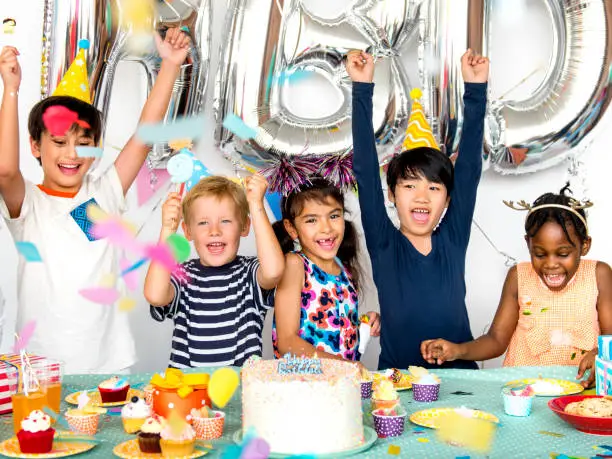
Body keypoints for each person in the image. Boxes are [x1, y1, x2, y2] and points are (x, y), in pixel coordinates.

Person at [0, 28, 191, 373]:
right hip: (41, 370)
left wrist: (171, 66)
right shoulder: (29, 205)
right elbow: (4, 171)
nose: (72, 154)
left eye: (83, 142)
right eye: (58, 142)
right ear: (35, 147)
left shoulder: (103, 192)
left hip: (109, 367)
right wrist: (11, 90)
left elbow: (145, 136)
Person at [346, 49, 489, 369]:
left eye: (434, 188)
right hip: (397, 382)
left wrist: (476, 91)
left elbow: (467, 170)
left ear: (449, 199)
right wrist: (361, 88)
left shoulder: (452, 238)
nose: (422, 196)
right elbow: (366, 172)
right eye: (410, 186)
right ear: (393, 195)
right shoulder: (385, 243)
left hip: (460, 380)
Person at [421, 186, 612, 387]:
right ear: (528, 243)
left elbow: (610, 337)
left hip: (578, 390)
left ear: (584, 245)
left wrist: (599, 355)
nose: (550, 264)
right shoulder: (518, 277)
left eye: (563, 254)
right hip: (523, 389)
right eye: (539, 254)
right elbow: (496, 339)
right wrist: (457, 350)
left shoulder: (599, 275)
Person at [145, 174, 284, 367]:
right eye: (203, 222)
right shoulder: (182, 275)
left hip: (242, 390)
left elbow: (274, 271)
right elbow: (155, 295)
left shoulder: (249, 273)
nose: (214, 231)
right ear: (187, 231)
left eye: (225, 221)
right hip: (187, 391)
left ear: (244, 226)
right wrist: (167, 230)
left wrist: (256, 205)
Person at [272, 178, 381, 363]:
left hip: (341, 386)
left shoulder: (344, 269)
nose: (327, 228)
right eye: (312, 220)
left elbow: (337, 326)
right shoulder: (295, 264)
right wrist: (343, 366)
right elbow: (287, 342)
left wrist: (366, 321)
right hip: (302, 386)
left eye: (334, 216)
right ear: (292, 228)